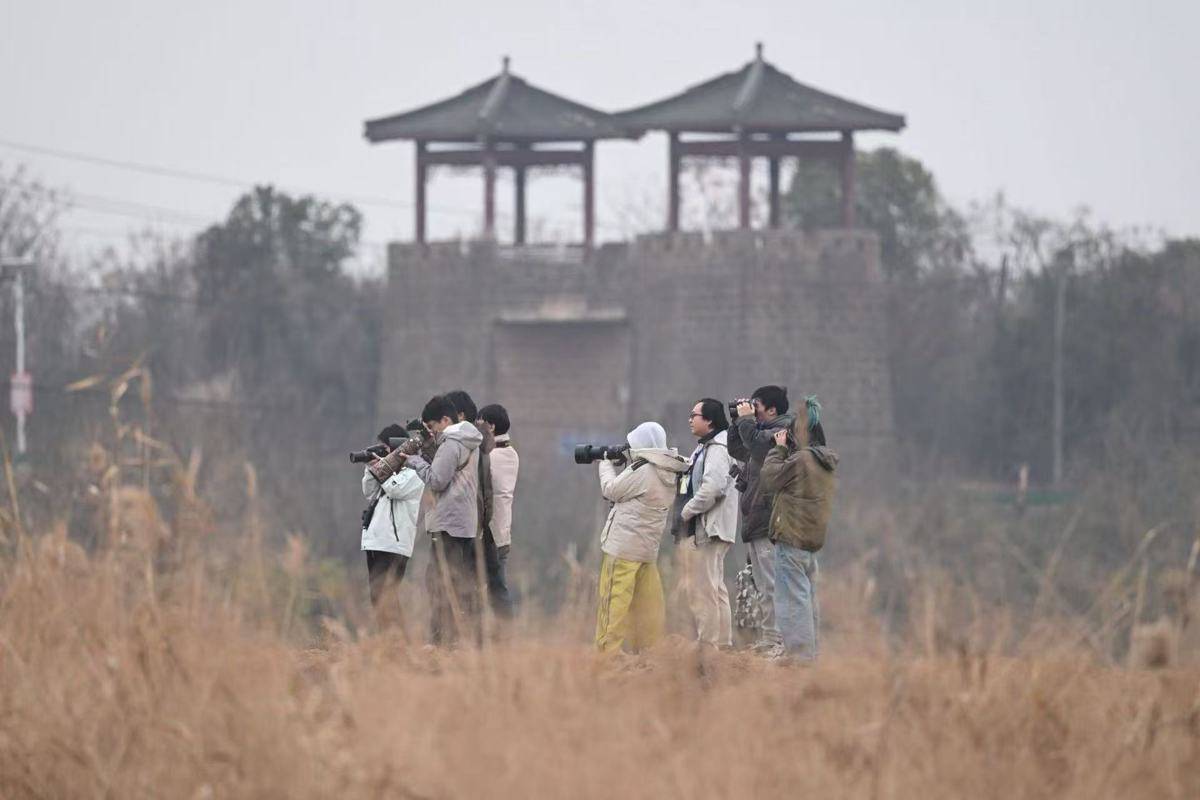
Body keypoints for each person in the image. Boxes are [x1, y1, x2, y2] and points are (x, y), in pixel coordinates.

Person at [595, 422, 689, 654]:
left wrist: (605, 461)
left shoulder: (643, 470)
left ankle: (607, 653)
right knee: (648, 605)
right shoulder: (671, 470)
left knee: (614, 602)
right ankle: (648, 653)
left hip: (622, 549)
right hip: (647, 550)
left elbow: (611, 490)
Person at [399, 395, 484, 645]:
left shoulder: (451, 443)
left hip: (448, 522)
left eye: (432, 426)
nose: (431, 432)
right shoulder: (468, 441)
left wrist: (414, 461)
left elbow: (437, 481)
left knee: (439, 583)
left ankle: (441, 641)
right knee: (454, 582)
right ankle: (457, 639)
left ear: (445, 420)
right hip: (463, 523)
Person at [760, 396, 837, 661]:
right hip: (810, 541)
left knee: (792, 601)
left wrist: (779, 449)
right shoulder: (824, 462)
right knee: (807, 599)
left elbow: (770, 478)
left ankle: (800, 657)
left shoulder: (802, 460)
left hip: (791, 539)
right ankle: (810, 654)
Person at [728, 385, 796, 657]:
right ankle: (769, 637)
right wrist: (737, 422)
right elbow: (739, 449)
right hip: (756, 518)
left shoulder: (782, 433)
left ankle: (779, 640)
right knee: (762, 584)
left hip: (771, 519)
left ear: (772, 409)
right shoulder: (759, 431)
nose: (752, 411)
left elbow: (757, 448)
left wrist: (746, 422)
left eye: (755, 406)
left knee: (772, 584)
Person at [678, 398, 737, 649]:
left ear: (710, 420)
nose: (690, 419)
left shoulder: (718, 449)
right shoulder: (705, 448)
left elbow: (712, 488)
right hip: (712, 527)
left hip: (711, 527)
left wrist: (685, 512)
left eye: (695, 415)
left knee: (704, 588)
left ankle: (708, 644)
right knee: (715, 586)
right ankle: (722, 643)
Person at [361, 424, 425, 629]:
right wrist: (371, 468)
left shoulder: (414, 472)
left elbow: (395, 489)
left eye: (385, 449)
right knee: (377, 596)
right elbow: (369, 491)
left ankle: (396, 640)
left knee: (386, 595)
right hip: (375, 541)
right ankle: (390, 640)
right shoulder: (389, 472)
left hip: (394, 544)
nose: (383, 454)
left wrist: (383, 467)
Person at [477, 403, 518, 618]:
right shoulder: (510, 453)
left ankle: (505, 630)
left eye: (480, 423)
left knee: (495, 589)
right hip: (502, 533)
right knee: (495, 588)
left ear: (491, 426)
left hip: (491, 534)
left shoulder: (495, 456)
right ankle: (503, 631)